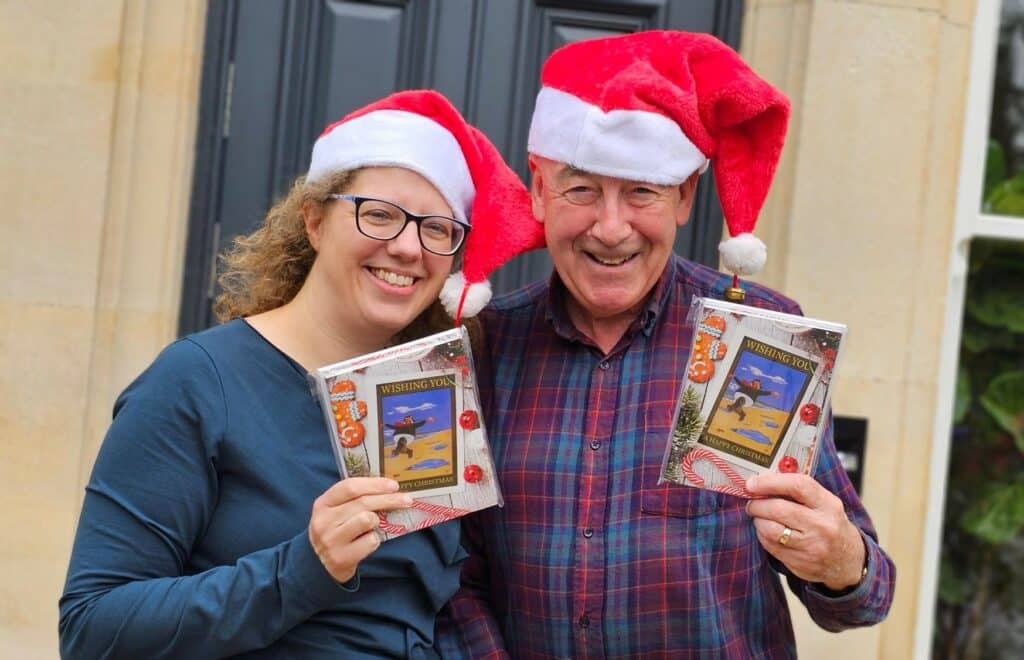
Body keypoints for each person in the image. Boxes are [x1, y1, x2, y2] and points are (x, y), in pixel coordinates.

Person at [438, 31, 896, 657]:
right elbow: (452, 571)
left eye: (641, 190)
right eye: (580, 189)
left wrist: (842, 560)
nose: (610, 226)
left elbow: (864, 598)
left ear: (683, 197)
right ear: (539, 191)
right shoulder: (485, 347)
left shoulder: (757, 338)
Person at [58, 90, 540, 659]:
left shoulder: (430, 397)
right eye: (379, 214)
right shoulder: (197, 380)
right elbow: (91, 629)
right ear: (313, 220)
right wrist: (301, 569)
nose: (409, 247)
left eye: (437, 229)